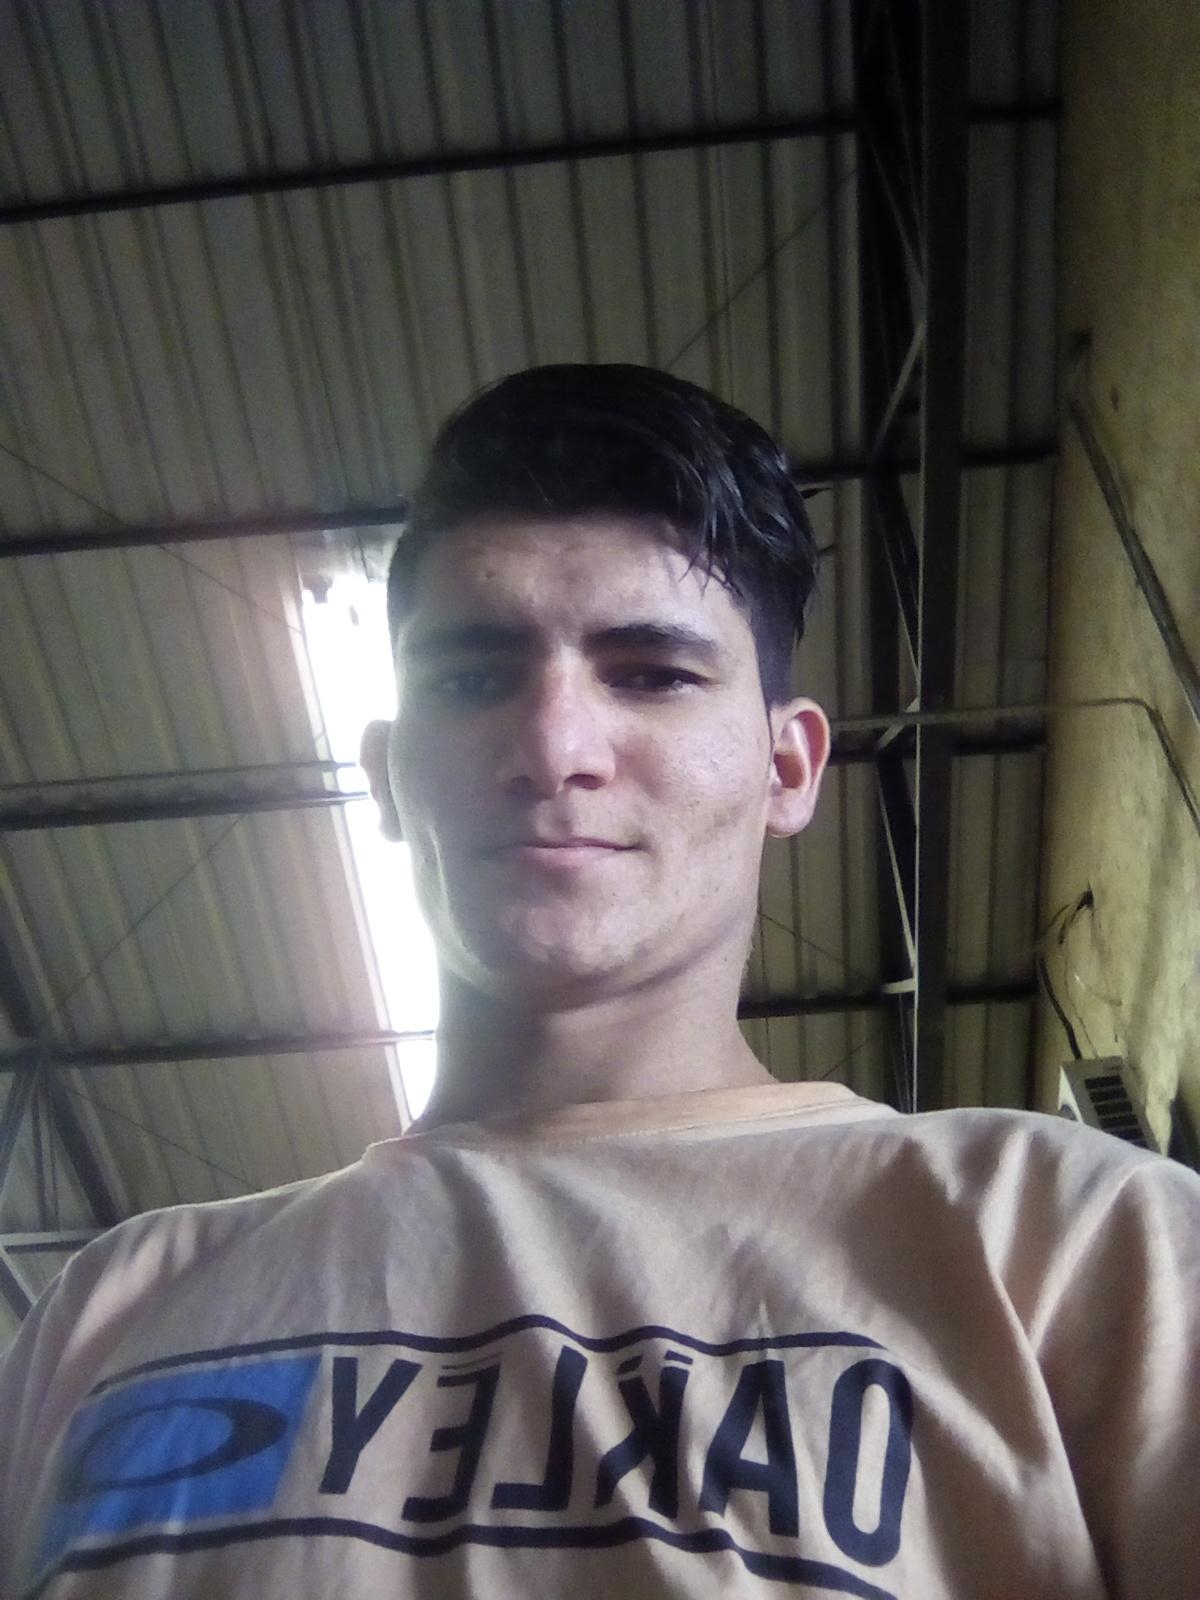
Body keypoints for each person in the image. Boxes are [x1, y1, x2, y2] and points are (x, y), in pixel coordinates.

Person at [1, 365, 1197, 1600]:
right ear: (390, 774)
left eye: (652, 673)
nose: (553, 745)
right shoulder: (112, 1310)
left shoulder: (1079, 1243)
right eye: (473, 677)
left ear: (789, 767)